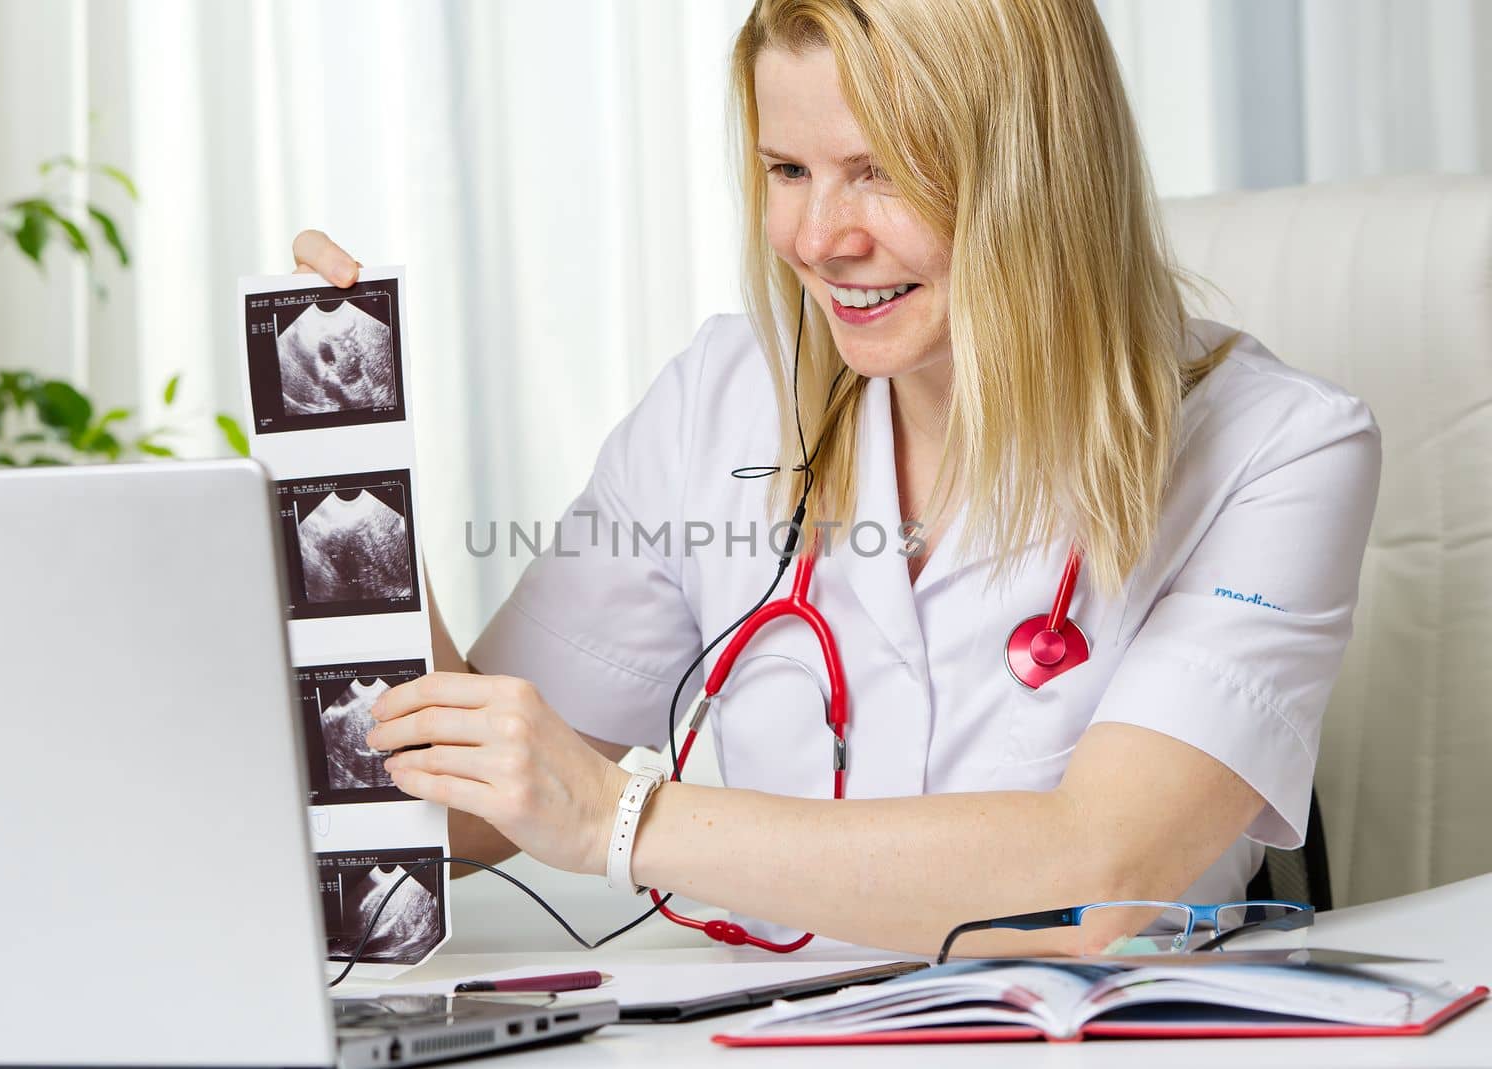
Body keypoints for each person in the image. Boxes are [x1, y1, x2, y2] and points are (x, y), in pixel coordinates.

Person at [289, 0, 1380, 956]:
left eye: (882, 172)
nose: (817, 238)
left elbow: (1094, 876)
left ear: (1038, 179)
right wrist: (354, 461)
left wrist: (622, 822)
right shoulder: (717, 402)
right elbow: (475, 813)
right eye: (787, 171)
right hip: (754, 1042)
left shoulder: (1277, 448)